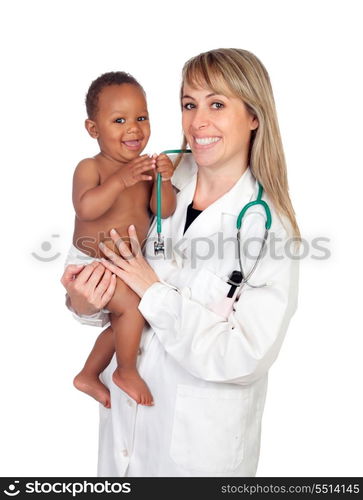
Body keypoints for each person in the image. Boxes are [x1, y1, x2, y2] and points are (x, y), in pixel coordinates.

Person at [61, 48, 300, 477]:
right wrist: (81, 301)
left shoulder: (267, 229)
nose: (197, 121)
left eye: (217, 104)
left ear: (254, 116)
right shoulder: (152, 174)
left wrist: (153, 289)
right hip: (122, 440)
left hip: (197, 455)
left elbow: (244, 357)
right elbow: (93, 272)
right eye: (189, 104)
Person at [66, 71, 176, 408]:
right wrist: (119, 181)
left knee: (124, 324)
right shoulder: (91, 167)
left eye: (141, 117)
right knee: (132, 309)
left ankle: (89, 374)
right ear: (93, 129)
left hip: (122, 267)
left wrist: (163, 181)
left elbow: (165, 211)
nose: (134, 128)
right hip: (91, 262)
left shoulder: (144, 170)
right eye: (119, 120)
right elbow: (85, 206)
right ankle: (125, 370)